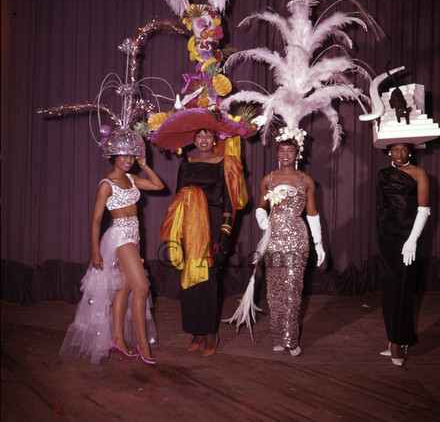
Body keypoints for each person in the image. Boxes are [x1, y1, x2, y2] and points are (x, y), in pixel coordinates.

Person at [59, 128, 165, 365]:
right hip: (119, 237)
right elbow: (96, 220)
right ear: (113, 156)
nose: (128, 160)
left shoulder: (131, 179)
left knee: (125, 288)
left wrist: (145, 165)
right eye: (123, 155)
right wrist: (95, 251)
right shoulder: (106, 184)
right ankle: (143, 344)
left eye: (131, 155)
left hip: (135, 235)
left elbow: (159, 186)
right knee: (142, 288)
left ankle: (117, 338)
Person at [159, 128, 245, 357]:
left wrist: (225, 231)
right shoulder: (186, 161)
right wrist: (176, 229)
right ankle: (194, 331)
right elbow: (178, 195)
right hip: (189, 224)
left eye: (208, 136)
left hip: (213, 223)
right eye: (199, 136)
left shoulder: (223, 162)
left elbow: (229, 199)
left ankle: (210, 333)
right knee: (189, 277)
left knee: (208, 277)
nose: (204, 140)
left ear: (214, 140)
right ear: (194, 140)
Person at [254, 128, 326, 356]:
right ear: (277, 153)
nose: (286, 155)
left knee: (294, 289)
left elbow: (312, 213)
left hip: (297, 237)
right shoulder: (269, 179)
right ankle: (278, 336)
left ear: (298, 154)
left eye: (290, 150)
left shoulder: (306, 181)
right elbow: (260, 207)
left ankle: (290, 338)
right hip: (273, 238)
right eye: (282, 150)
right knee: (275, 290)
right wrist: (263, 220)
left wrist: (319, 244)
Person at [376, 142, 430, 366]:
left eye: (403, 150)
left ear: (410, 151)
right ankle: (394, 341)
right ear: (389, 151)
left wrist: (412, 240)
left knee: (404, 288)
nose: (399, 154)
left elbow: (423, 209)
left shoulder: (419, 173)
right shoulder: (383, 175)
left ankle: (400, 341)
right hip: (387, 238)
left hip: (408, 237)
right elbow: (380, 208)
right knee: (389, 289)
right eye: (395, 150)